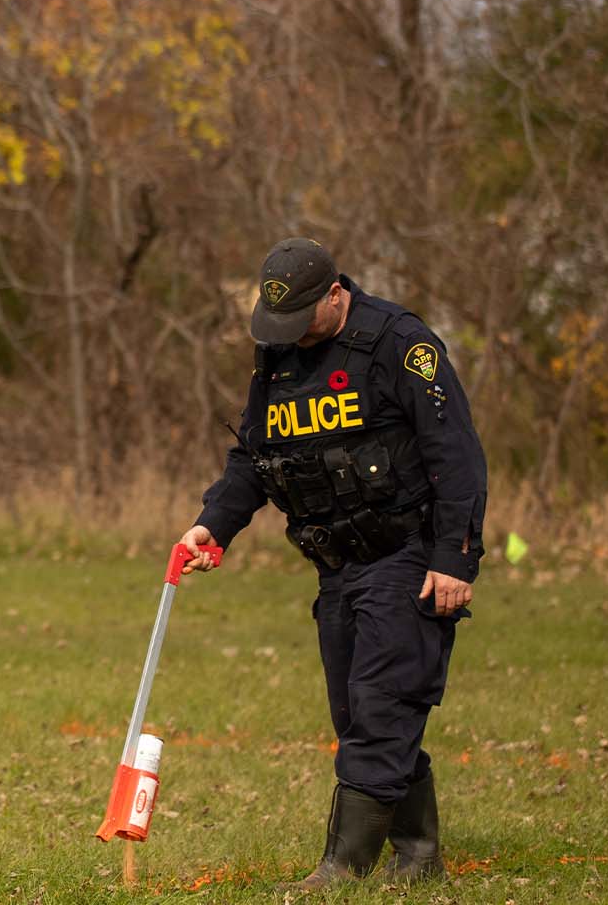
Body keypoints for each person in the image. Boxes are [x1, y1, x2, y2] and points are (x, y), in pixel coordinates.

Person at [178, 238, 485, 890]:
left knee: (381, 703)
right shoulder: (280, 355)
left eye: (303, 319)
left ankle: (343, 870)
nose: (290, 336)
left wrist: (455, 559)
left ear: (337, 294)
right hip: (336, 563)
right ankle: (419, 855)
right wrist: (215, 524)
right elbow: (254, 456)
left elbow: (456, 456)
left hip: (407, 554)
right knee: (357, 712)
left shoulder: (400, 344)